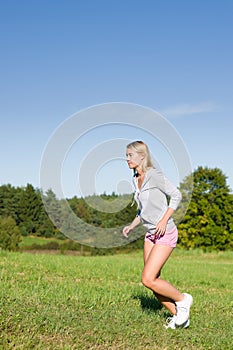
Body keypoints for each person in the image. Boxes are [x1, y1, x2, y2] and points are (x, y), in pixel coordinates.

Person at [122, 141, 193, 329]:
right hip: (150, 235)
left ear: (142, 156)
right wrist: (132, 225)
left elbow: (176, 195)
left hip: (165, 232)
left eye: (130, 155)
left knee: (148, 278)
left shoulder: (154, 175)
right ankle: (180, 318)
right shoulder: (135, 178)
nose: (127, 158)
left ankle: (183, 299)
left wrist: (163, 220)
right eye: (126, 155)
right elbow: (143, 210)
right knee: (152, 282)